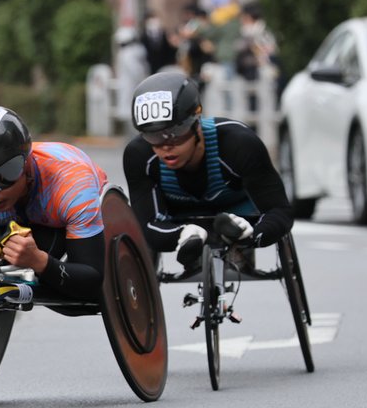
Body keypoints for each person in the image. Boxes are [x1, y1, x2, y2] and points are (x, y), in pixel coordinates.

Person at [122, 72, 293, 273]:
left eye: (176, 134)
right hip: (178, 217)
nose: (166, 146)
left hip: (237, 212)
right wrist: (183, 233)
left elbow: (280, 211)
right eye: (154, 137)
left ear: (197, 122)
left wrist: (253, 234)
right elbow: (147, 226)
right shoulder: (139, 155)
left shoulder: (239, 143)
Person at [0, 106, 107, 310]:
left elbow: (93, 281)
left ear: (27, 164)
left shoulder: (72, 182)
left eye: (3, 176)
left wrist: (39, 261)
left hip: (62, 223)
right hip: (21, 221)